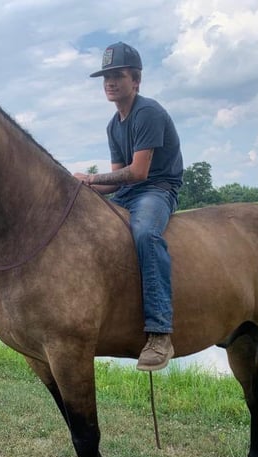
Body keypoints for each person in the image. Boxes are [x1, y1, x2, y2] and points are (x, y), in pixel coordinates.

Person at [74, 42, 183, 372]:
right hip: (130, 192)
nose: (110, 82)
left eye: (117, 75)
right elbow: (117, 181)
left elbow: (138, 172)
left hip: (157, 189)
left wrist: (90, 179)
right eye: (106, 76)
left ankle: (160, 332)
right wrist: (79, 188)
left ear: (135, 81)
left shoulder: (147, 112)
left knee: (145, 233)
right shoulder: (114, 124)